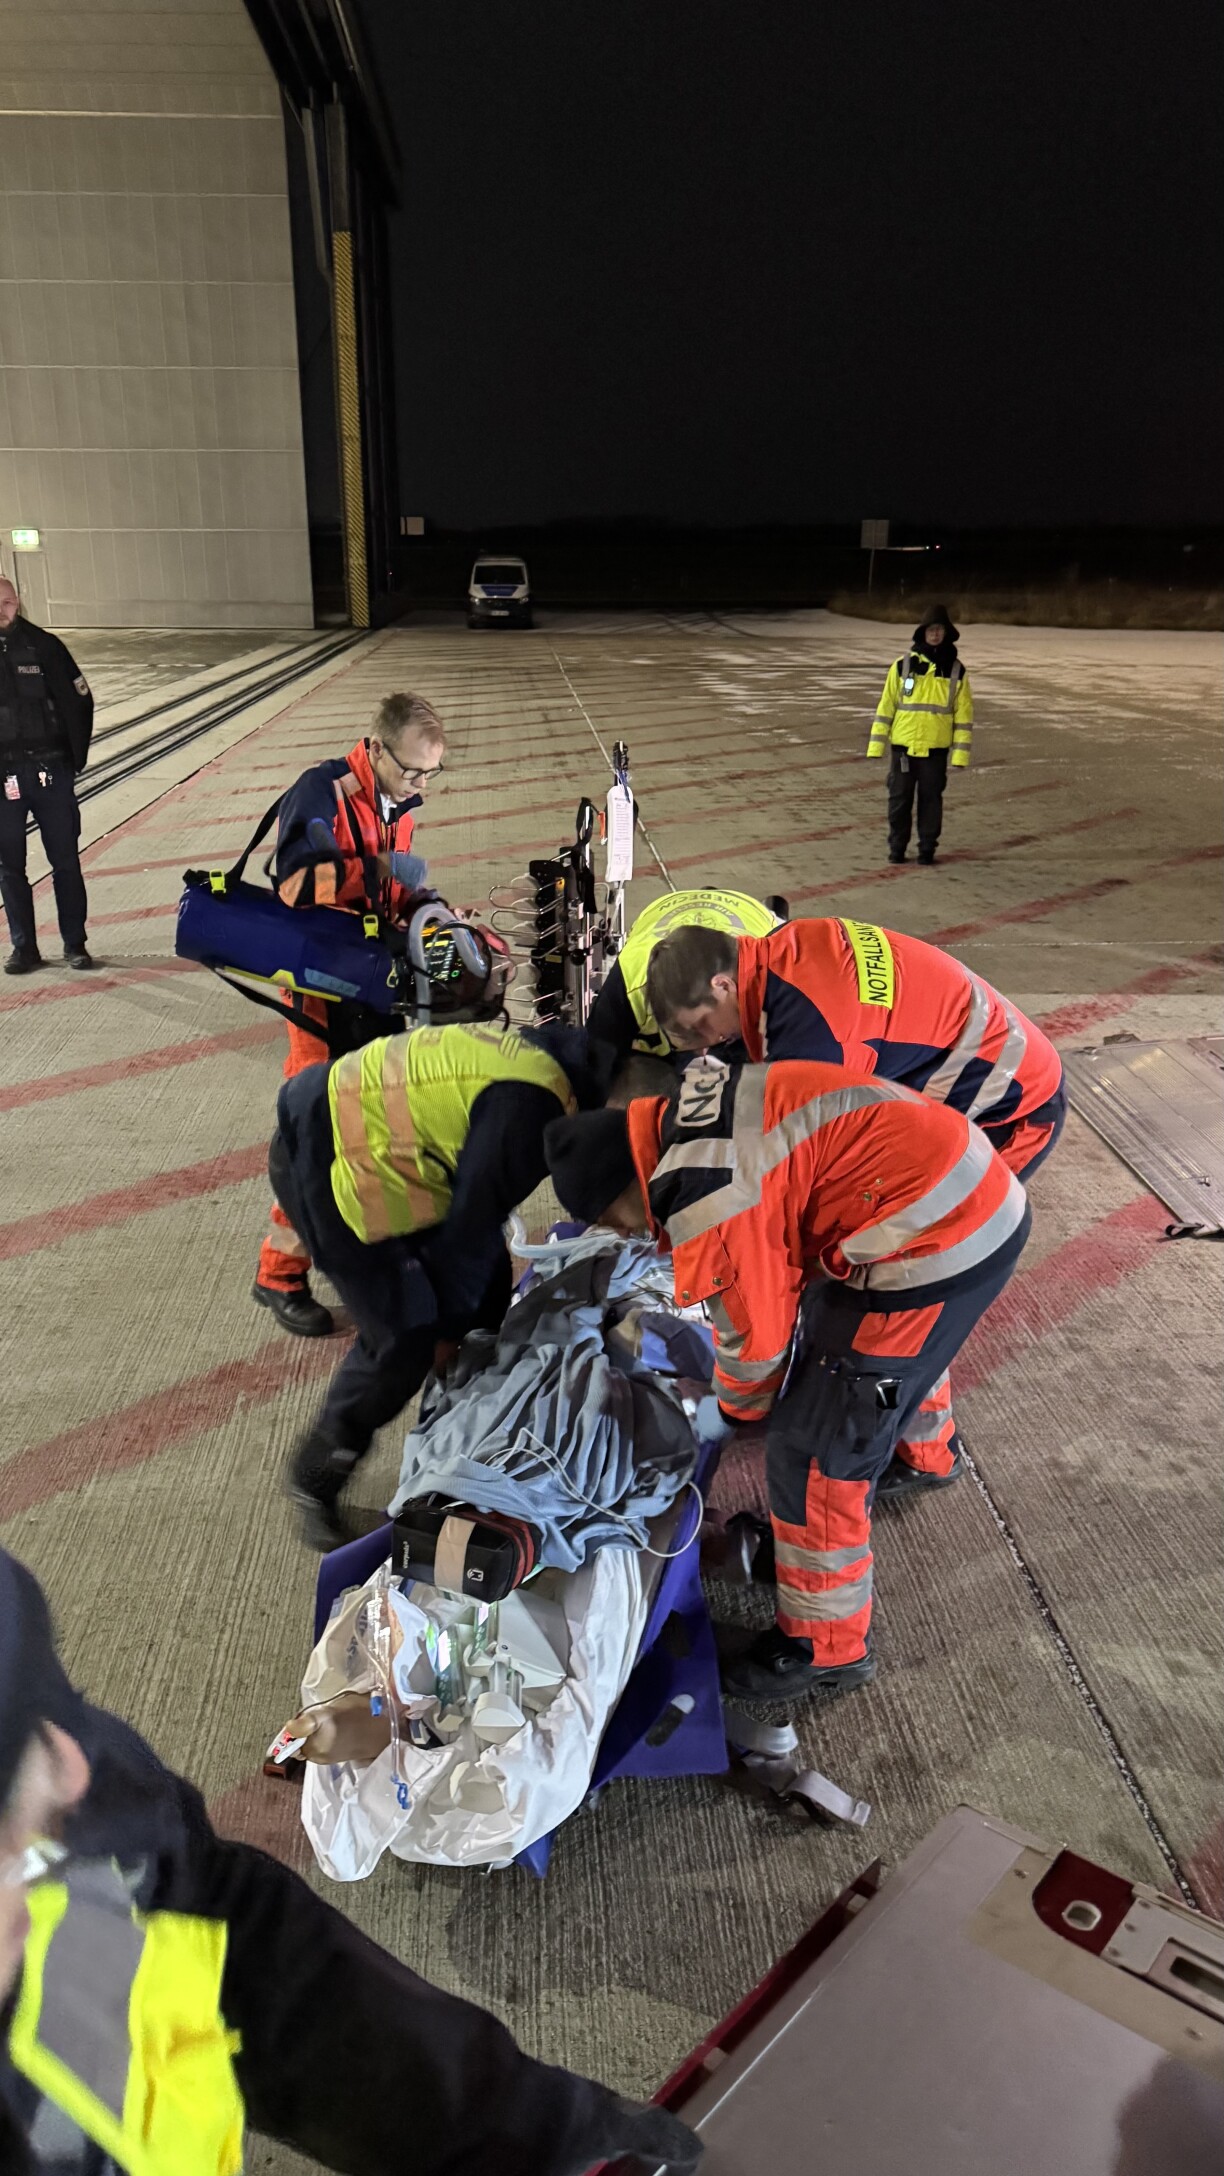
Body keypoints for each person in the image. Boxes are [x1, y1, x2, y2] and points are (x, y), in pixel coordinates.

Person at [0, 1548, 701, 2176]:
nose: (72, 1769)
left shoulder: (69, 1799)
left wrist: (517, 2129)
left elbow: (222, 1932)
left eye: (34, 1716)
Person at [545, 1060, 1030, 1705]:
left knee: (812, 1448)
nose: (628, 1232)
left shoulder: (707, 1194)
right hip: (953, 1187)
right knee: (886, 1352)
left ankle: (825, 1647)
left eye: (617, 1218)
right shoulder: (690, 1110)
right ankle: (925, 1451)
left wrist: (726, 1409)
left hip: (935, 1233)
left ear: (627, 1183)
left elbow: (759, 1345)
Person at [644, 913, 1064, 1497]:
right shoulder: (781, 958)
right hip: (985, 1084)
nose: (711, 1043)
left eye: (703, 1027)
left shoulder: (816, 1032)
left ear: (721, 985)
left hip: (1004, 1112)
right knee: (894, 1292)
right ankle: (910, 1433)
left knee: (905, 1292)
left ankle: (916, 1448)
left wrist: (748, 1372)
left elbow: (805, 1176)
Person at [274, 994, 609, 1548]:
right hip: (328, 1155)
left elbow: (477, 1225)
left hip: (386, 1149)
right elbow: (466, 1235)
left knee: (485, 1294)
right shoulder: (531, 1112)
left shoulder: (566, 1062)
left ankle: (463, 1430)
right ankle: (317, 1474)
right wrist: (447, 1334)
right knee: (406, 1337)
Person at [252, 691, 446, 1338]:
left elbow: (399, 890)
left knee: (381, 1124)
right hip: (319, 990)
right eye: (412, 772)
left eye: (430, 775)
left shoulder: (399, 799)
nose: (419, 785)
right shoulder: (322, 792)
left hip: (370, 985)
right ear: (374, 747)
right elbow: (295, 886)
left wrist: (428, 907)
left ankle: (377, 1251)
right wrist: (378, 868)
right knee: (314, 1131)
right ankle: (278, 1275)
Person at [0, 579, 96, 975]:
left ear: (17, 602)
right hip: (4, 776)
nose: (0, 610)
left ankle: (75, 943)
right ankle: (25, 948)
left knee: (65, 860)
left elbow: (80, 700)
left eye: (5, 602)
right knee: (9, 866)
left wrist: (74, 760)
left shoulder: (46, 646)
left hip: (49, 770)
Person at [585, 885, 782, 1063]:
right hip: (664, 909)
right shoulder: (629, 982)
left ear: (723, 986)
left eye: (701, 1024)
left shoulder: (774, 974)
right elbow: (596, 1064)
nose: (703, 1050)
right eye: (688, 1030)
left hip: (749, 910)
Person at [865, 606, 973, 864]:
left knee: (931, 802)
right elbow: (886, 706)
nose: (935, 634)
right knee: (899, 801)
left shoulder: (957, 671)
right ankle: (897, 848)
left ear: (947, 634)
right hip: (903, 748)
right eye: (931, 629)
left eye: (940, 630)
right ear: (922, 632)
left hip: (935, 751)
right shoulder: (902, 666)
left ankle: (927, 848)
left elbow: (964, 716)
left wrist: (960, 755)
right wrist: (875, 746)